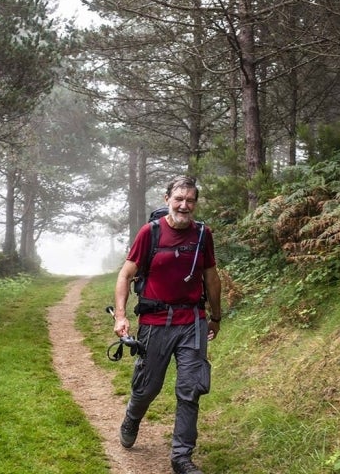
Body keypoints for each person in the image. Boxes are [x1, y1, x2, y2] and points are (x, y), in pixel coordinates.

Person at [113, 175, 222, 474]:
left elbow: (211, 277)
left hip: (192, 321)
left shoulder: (203, 235)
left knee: (191, 388)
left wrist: (215, 316)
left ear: (195, 203)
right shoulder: (150, 232)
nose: (184, 205)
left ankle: (181, 457)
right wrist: (121, 316)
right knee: (148, 387)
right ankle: (133, 417)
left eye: (190, 200)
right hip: (156, 321)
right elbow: (125, 275)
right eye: (179, 199)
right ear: (167, 199)